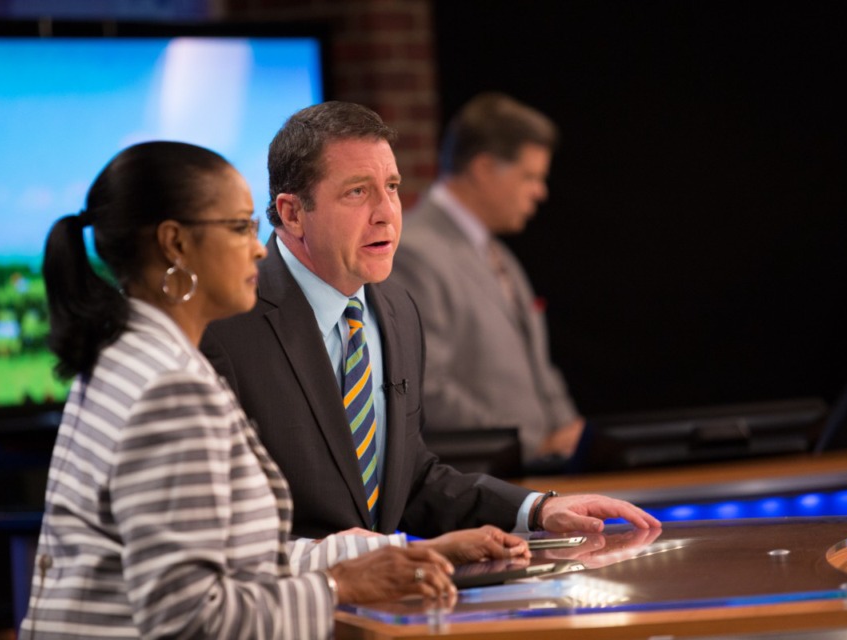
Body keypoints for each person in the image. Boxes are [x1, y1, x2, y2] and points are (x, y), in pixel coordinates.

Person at [19, 141, 533, 640]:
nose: (257, 245)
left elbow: (233, 560)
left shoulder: (132, 358)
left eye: (393, 187)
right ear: (175, 243)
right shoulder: (171, 390)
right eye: (240, 227)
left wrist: (413, 553)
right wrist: (336, 587)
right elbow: (192, 619)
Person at [200, 101, 660, 540]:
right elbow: (219, 522)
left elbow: (410, 479)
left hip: (387, 609)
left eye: (393, 188)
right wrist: (364, 558)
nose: (386, 213)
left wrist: (536, 510)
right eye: (358, 192)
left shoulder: (397, 309)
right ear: (292, 213)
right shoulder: (223, 321)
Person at [388, 92, 582, 468]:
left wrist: (575, 437)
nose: (540, 192)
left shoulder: (500, 254)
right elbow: (425, 387)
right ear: (483, 168)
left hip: (537, 476)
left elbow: (540, 370)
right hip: (480, 486)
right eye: (530, 176)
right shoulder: (413, 252)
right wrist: (533, 445)